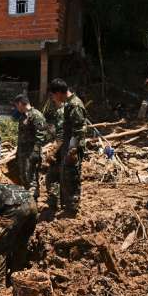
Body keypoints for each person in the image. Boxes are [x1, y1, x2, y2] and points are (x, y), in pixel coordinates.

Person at [48, 78, 87, 216]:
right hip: (68, 146)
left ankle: (72, 209)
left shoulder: (75, 105)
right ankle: (68, 207)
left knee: (72, 176)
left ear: (59, 92)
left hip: (73, 148)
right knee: (66, 176)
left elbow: (79, 130)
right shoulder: (69, 104)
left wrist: (72, 150)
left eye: (53, 95)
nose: (53, 98)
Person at [13, 94, 47, 199]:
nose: (16, 108)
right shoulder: (23, 116)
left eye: (16, 106)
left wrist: (36, 152)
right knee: (24, 177)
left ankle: (32, 202)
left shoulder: (36, 115)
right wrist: (18, 153)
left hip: (31, 153)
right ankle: (29, 199)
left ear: (20, 104)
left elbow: (41, 135)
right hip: (23, 153)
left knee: (31, 178)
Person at [43, 100, 64, 210]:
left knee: (52, 179)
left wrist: (52, 154)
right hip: (62, 156)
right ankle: (57, 203)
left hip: (61, 157)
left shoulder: (60, 125)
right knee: (55, 179)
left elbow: (60, 140)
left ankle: (55, 203)